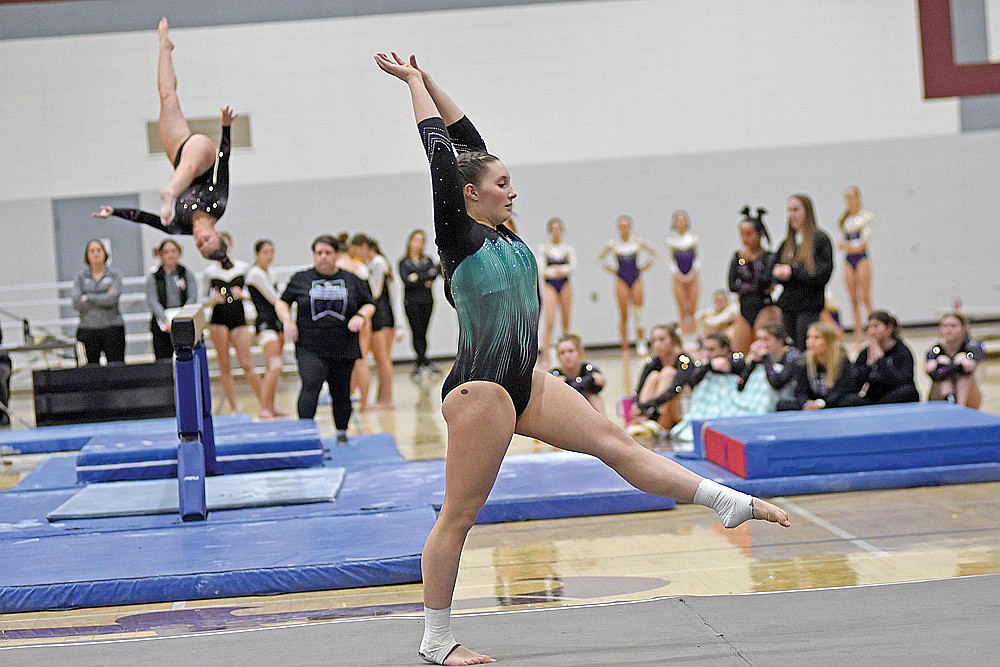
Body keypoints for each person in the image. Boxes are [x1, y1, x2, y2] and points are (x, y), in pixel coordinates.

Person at [375, 50, 789, 666]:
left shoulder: (504, 230)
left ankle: (723, 502)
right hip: (480, 390)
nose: (512, 189)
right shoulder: (457, 232)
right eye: (502, 183)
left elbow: (466, 141)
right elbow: (441, 151)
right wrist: (412, 86)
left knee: (616, 442)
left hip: (524, 379)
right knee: (458, 518)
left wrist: (433, 78)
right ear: (470, 194)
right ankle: (436, 642)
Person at [91, 19, 234, 267]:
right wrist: (225, 128)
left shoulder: (178, 227)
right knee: (187, 170)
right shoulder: (217, 205)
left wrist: (113, 211)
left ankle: (164, 45)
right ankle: (169, 192)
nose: (200, 237)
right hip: (203, 156)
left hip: (178, 154)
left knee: (167, 96)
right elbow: (223, 164)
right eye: (208, 239)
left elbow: (143, 217)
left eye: (199, 244)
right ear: (218, 234)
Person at [275, 235, 375, 445]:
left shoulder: (352, 279)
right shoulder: (301, 278)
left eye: (328, 253)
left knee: (341, 391)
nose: (323, 257)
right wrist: (288, 321)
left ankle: (341, 432)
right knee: (311, 384)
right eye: (319, 253)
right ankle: (305, 434)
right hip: (311, 345)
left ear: (336, 255)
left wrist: (360, 316)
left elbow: (369, 303)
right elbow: (282, 302)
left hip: (343, 344)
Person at [204, 233, 262, 414]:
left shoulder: (244, 268)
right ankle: (234, 406)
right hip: (218, 319)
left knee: (247, 364)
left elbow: (254, 292)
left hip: (238, 317)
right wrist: (213, 299)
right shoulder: (210, 272)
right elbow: (202, 297)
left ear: (231, 246)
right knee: (224, 366)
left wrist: (243, 294)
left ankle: (264, 402)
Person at [772, 194, 834, 350]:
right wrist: (778, 273)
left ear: (807, 211)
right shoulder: (787, 243)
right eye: (789, 210)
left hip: (809, 305)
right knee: (789, 347)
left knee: (804, 346)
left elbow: (822, 273)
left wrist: (793, 271)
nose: (792, 215)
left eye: (796, 210)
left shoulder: (820, 239)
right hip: (788, 305)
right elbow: (772, 268)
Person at [349, 234, 396, 408]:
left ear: (363, 246)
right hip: (377, 314)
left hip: (381, 316)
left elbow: (375, 292)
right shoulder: (370, 263)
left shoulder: (377, 262)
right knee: (378, 359)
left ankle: (386, 398)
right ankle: (379, 397)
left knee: (382, 359)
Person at [599, 215, 656, 356]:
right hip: (621, 279)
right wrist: (613, 271)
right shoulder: (613, 244)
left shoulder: (637, 242)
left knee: (639, 312)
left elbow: (653, 255)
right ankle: (624, 345)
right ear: (619, 228)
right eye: (622, 226)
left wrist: (643, 268)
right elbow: (601, 259)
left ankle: (641, 342)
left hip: (636, 278)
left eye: (627, 226)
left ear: (630, 227)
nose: (624, 229)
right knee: (623, 314)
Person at [838, 310, 920, 407]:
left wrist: (881, 361)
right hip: (874, 397)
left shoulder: (901, 351)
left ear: (889, 328)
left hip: (894, 394)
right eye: (869, 327)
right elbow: (854, 383)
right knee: (849, 400)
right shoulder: (866, 352)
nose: (871, 331)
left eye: (876, 327)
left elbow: (903, 381)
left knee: (909, 392)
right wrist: (869, 365)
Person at [246, 239, 286, 419]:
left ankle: (271, 405)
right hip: (265, 324)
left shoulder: (271, 273)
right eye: (265, 252)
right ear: (257, 254)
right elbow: (275, 299)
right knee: (274, 366)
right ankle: (263, 407)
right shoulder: (255, 274)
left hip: (276, 324)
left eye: (271, 252)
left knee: (275, 367)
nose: (269, 256)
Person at [629, 323, 693, 434]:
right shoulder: (653, 363)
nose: (657, 344)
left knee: (668, 373)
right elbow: (638, 388)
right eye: (654, 341)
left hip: (681, 410)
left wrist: (647, 406)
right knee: (653, 376)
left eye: (662, 339)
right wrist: (637, 406)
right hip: (656, 407)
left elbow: (676, 389)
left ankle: (654, 418)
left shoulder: (684, 360)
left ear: (673, 340)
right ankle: (646, 419)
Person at [71, 239, 126, 365]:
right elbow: (76, 302)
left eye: (99, 250)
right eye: (92, 251)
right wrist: (103, 296)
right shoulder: (80, 277)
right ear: (87, 255)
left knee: (116, 368)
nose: (96, 254)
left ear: (105, 254)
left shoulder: (114, 275)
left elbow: (112, 299)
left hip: (112, 327)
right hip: (88, 329)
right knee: (88, 370)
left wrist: (89, 297)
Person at [777, 322, 853, 410]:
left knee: (851, 400)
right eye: (808, 337)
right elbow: (800, 391)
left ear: (828, 341)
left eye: (816, 337)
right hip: (812, 401)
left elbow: (844, 389)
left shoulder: (841, 360)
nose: (811, 342)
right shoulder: (803, 362)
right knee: (781, 404)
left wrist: (822, 403)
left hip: (833, 402)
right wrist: (806, 402)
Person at [337, 235, 374, 412]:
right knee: (360, 360)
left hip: (356, 316)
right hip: (361, 315)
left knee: (358, 360)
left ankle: (363, 401)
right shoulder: (359, 266)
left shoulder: (341, 267)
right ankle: (362, 400)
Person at [145, 238, 198, 360]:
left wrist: (181, 319)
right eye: (166, 252)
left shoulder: (186, 273)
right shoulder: (154, 277)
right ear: (160, 254)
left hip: (183, 322)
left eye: (173, 251)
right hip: (163, 324)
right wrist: (165, 320)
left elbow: (192, 297)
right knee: (163, 360)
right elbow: (153, 301)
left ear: (179, 253)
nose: (170, 255)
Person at [399, 229, 441, 377]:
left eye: (422, 241)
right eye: (416, 240)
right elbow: (407, 281)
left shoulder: (427, 260)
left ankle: (423, 360)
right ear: (410, 242)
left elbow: (435, 275)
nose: (419, 244)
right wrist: (425, 277)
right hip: (412, 302)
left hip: (427, 300)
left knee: (424, 331)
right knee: (416, 331)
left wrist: (418, 277)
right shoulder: (404, 263)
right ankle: (420, 360)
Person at [728, 206, 777, 328]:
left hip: (763, 307)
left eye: (749, 234)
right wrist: (744, 262)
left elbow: (764, 283)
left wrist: (748, 264)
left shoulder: (769, 257)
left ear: (760, 234)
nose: (745, 239)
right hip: (744, 307)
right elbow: (732, 285)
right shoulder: (739, 258)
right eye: (742, 235)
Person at [536, 217, 576, 366]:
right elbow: (541, 269)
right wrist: (555, 271)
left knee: (566, 321)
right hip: (550, 285)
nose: (556, 232)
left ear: (562, 231)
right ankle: (546, 356)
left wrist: (562, 270)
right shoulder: (544, 248)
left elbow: (573, 266)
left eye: (558, 229)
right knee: (550, 321)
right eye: (553, 229)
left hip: (565, 284)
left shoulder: (567, 248)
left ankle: (570, 354)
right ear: (549, 231)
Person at [837, 186, 874, 345]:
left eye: (853, 197)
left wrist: (848, 246)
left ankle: (874, 331)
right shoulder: (845, 220)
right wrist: (848, 247)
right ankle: (859, 336)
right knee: (853, 300)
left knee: (865, 298)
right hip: (848, 260)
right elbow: (840, 244)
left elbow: (862, 245)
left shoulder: (866, 217)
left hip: (862, 259)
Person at [926, 312, 985, 408]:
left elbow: (971, 366)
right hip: (941, 393)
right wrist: (940, 364)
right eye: (945, 326)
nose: (949, 329)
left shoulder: (971, 347)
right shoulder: (936, 350)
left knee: (964, 377)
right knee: (943, 378)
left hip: (968, 395)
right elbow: (928, 368)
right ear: (940, 329)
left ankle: (960, 407)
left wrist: (958, 364)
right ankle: (949, 400)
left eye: (953, 326)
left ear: (963, 328)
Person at [739, 321, 800, 403]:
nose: (761, 344)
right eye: (759, 339)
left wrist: (765, 359)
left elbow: (777, 383)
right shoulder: (761, 356)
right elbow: (741, 384)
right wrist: (751, 364)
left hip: (788, 400)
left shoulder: (792, 356)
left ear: (780, 340)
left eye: (766, 339)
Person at [549, 334, 605, 414]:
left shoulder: (588, 369)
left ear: (579, 352)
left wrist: (567, 381)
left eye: (571, 351)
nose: (567, 356)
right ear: (558, 356)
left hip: (588, 407)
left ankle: (602, 425)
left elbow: (599, 381)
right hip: (564, 410)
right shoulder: (555, 374)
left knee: (594, 398)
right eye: (562, 353)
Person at [667, 210, 700, 336]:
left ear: (687, 222)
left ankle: (694, 335)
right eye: (678, 220)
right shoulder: (670, 241)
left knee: (692, 309)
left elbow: (699, 258)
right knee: (682, 309)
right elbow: (669, 260)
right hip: (678, 278)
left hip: (693, 276)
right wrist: (678, 275)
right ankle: (684, 336)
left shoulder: (694, 238)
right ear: (674, 223)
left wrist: (693, 273)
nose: (680, 223)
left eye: (683, 220)